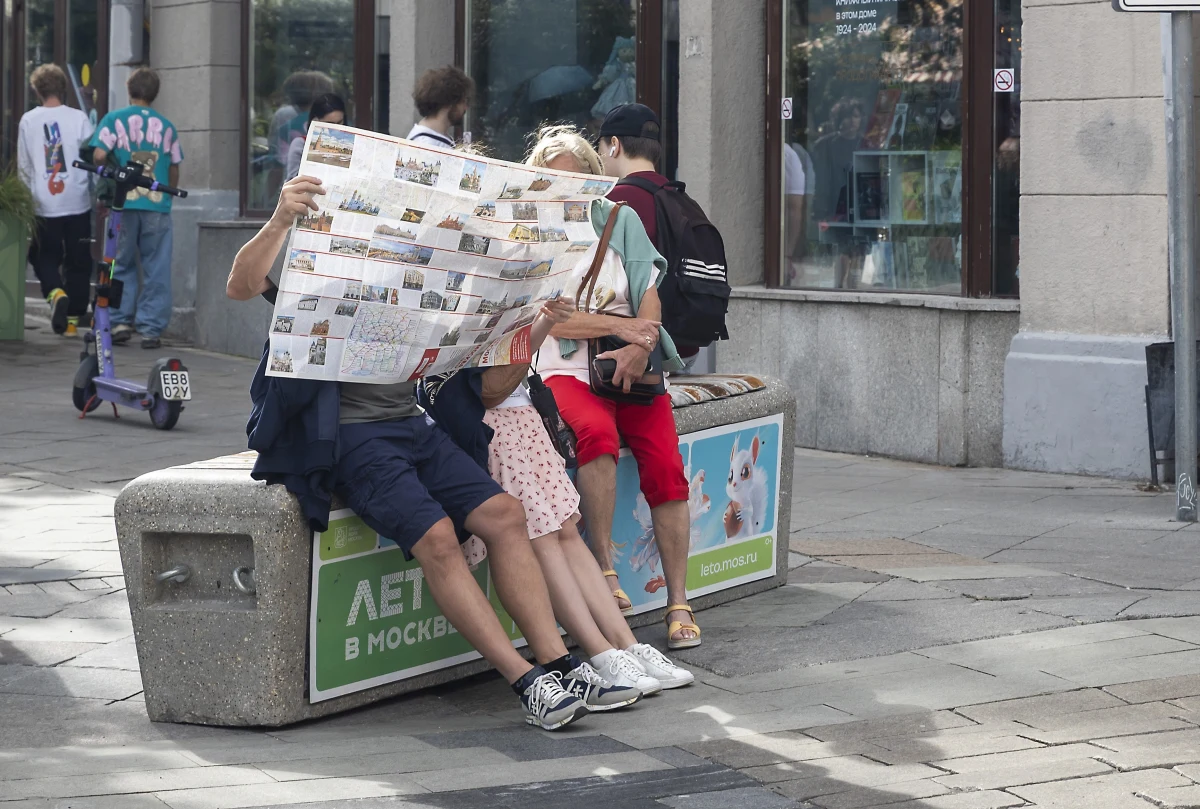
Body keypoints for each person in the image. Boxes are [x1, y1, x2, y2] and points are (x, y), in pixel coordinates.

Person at [226, 175, 594, 731]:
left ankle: (558, 663)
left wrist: (535, 309)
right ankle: (525, 681)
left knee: (504, 514)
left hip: (410, 420)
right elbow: (240, 284)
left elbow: (472, 332)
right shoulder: (322, 267)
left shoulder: (419, 267)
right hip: (352, 434)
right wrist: (280, 219)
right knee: (438, 539)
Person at [468, 281, 695, 690]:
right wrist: (583, 323)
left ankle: (627, 646)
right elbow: (487, 387)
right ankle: (597, 654)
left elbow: (530, 339)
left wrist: (545, 319)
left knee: (567, 529)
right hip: (490, 413)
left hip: (523, 406)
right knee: (542, 534)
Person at [527, 126, 702, 652]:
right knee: (595, 435)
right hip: (565, 368)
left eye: (576, 177)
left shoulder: (619, 219)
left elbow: (650, 293)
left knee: (666, 466)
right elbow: (548, 318)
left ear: (593, 178)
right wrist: (625, 329)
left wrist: (640, 346)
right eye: (552, 178)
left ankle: (678, 601)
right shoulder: (531, 231)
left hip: (634, 365)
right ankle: (605, 570)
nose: (566, 188)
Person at [596, 104, 704, 371]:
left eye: (600, 149)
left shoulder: (612, 203)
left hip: (641, 351)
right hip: (688, 348)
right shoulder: (681, 197)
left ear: (614, 145)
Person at [89, 67, 183, 350]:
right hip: (157, 204)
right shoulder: (167, 126)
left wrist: (109, 172)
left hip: (124, 203)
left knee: (120, 262)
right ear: (155, 94)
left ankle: (119, 321)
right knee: (157, 266)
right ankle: (151, 329)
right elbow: (175, 166)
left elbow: (99, 154)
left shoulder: (114, 119)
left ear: (129, 89)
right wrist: (168, 194)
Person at [17, 64, 94, 335]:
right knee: (78, 260)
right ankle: (72, 322)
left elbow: (24, 167)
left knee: (42, 256)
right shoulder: (79, 119)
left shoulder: (28, 121)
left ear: (37, 91)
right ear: (63, 89)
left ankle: (55, 293)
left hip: (44, 203)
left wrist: (25, 202)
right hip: (77, 201)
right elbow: (92, 158)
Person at [811, 98, 864, 289]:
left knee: (859, 249)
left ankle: (854, 287)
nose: (852, 121)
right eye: (848, 116)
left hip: (860, 204)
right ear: (839, 120)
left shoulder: (865, 143)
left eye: (856, 116)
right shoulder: (827, 145)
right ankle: (839, 287)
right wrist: (820, 211)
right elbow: (822, 180)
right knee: (842, 249)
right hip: (836, 206)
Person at [407, 66, 473, 150]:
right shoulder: (427, 145)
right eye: (464, 101)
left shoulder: (431, 140)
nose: (466, 108)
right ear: (450, 102)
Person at [285, 93, 346, 181]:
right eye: (330, 124)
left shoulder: (347, 143)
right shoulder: (300, 144)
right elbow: (292, 179)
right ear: (315, 121)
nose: (336, 129)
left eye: (340, 122)